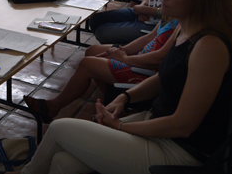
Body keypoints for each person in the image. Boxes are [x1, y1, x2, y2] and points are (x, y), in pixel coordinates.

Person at [0, 0, 232, 174]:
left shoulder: (209, 46)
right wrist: (125, 96)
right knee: (64, 161)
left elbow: (183, 125)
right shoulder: (187, 28)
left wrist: (120, 126)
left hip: (179, 152)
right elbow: (165, 76)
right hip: (159, 125)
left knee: (60, 128)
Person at [24, 17, 179, 123]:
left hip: (145, 70)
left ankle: (53, 108)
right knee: (93, 50)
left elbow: (159, 58)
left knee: (88, 65)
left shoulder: (182, 24)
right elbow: (149, 38)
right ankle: (114, 105)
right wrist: (121, 51)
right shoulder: (172, 14)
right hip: (140, 57)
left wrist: (124, 58)